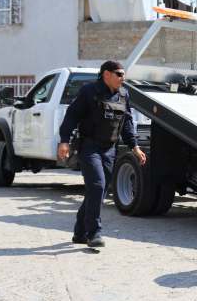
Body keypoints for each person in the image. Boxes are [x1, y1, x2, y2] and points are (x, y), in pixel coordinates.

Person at [58, 61, 146, 248]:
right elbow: (72, 115)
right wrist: (64, 140)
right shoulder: (89, 92)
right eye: (119, 74)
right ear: (106, 74)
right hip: (89, 147)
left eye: (123, 74)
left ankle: (80, 233)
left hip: (110, 149)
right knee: (97, 186)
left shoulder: (123, 94)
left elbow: (127, 122)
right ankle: (94, 233)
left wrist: (135, 146)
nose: (123, 78)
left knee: (97, 191)